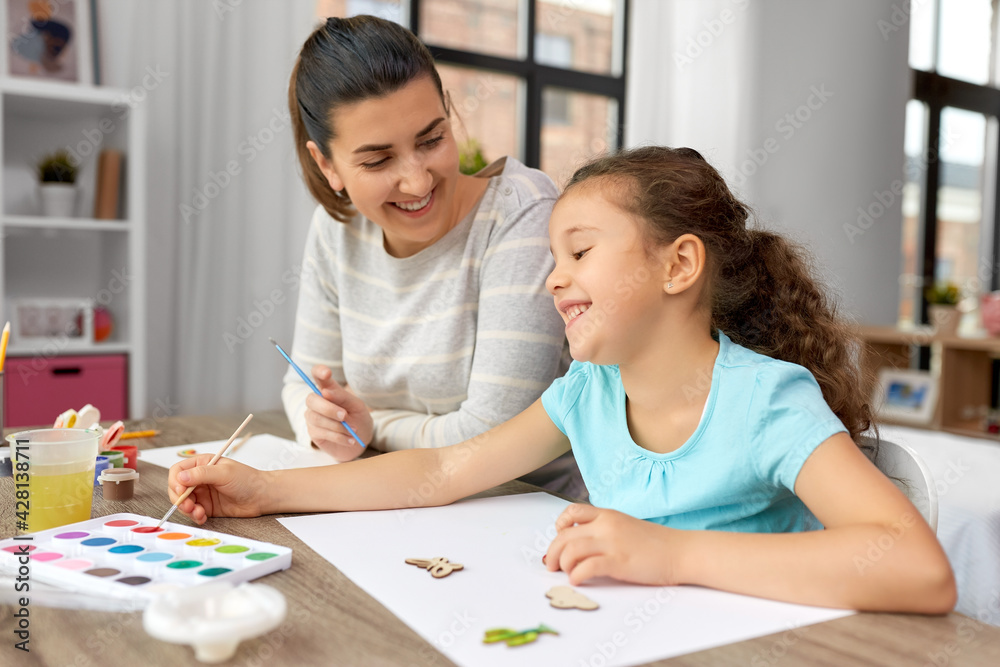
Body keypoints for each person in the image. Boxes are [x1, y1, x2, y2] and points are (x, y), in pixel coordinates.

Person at [170, 146, 956, 613]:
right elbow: (444, 469)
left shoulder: (765, 399)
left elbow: (918, 570)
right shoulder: (590, 393)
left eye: (579, 252)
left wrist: (669, 551)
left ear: (679, 264)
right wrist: (265, 491)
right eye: (553, 257)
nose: (553, 279)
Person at [284, 15, 582, 496]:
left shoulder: (519, 213)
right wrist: (324, 424)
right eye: (379, 160)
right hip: (390, 502)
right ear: (327, 164)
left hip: (520, 510)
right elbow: (301, 386)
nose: (418, 181)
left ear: (447, 112)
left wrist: (367, 428)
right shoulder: (335, 231)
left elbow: (490, 438)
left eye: (431, 140)